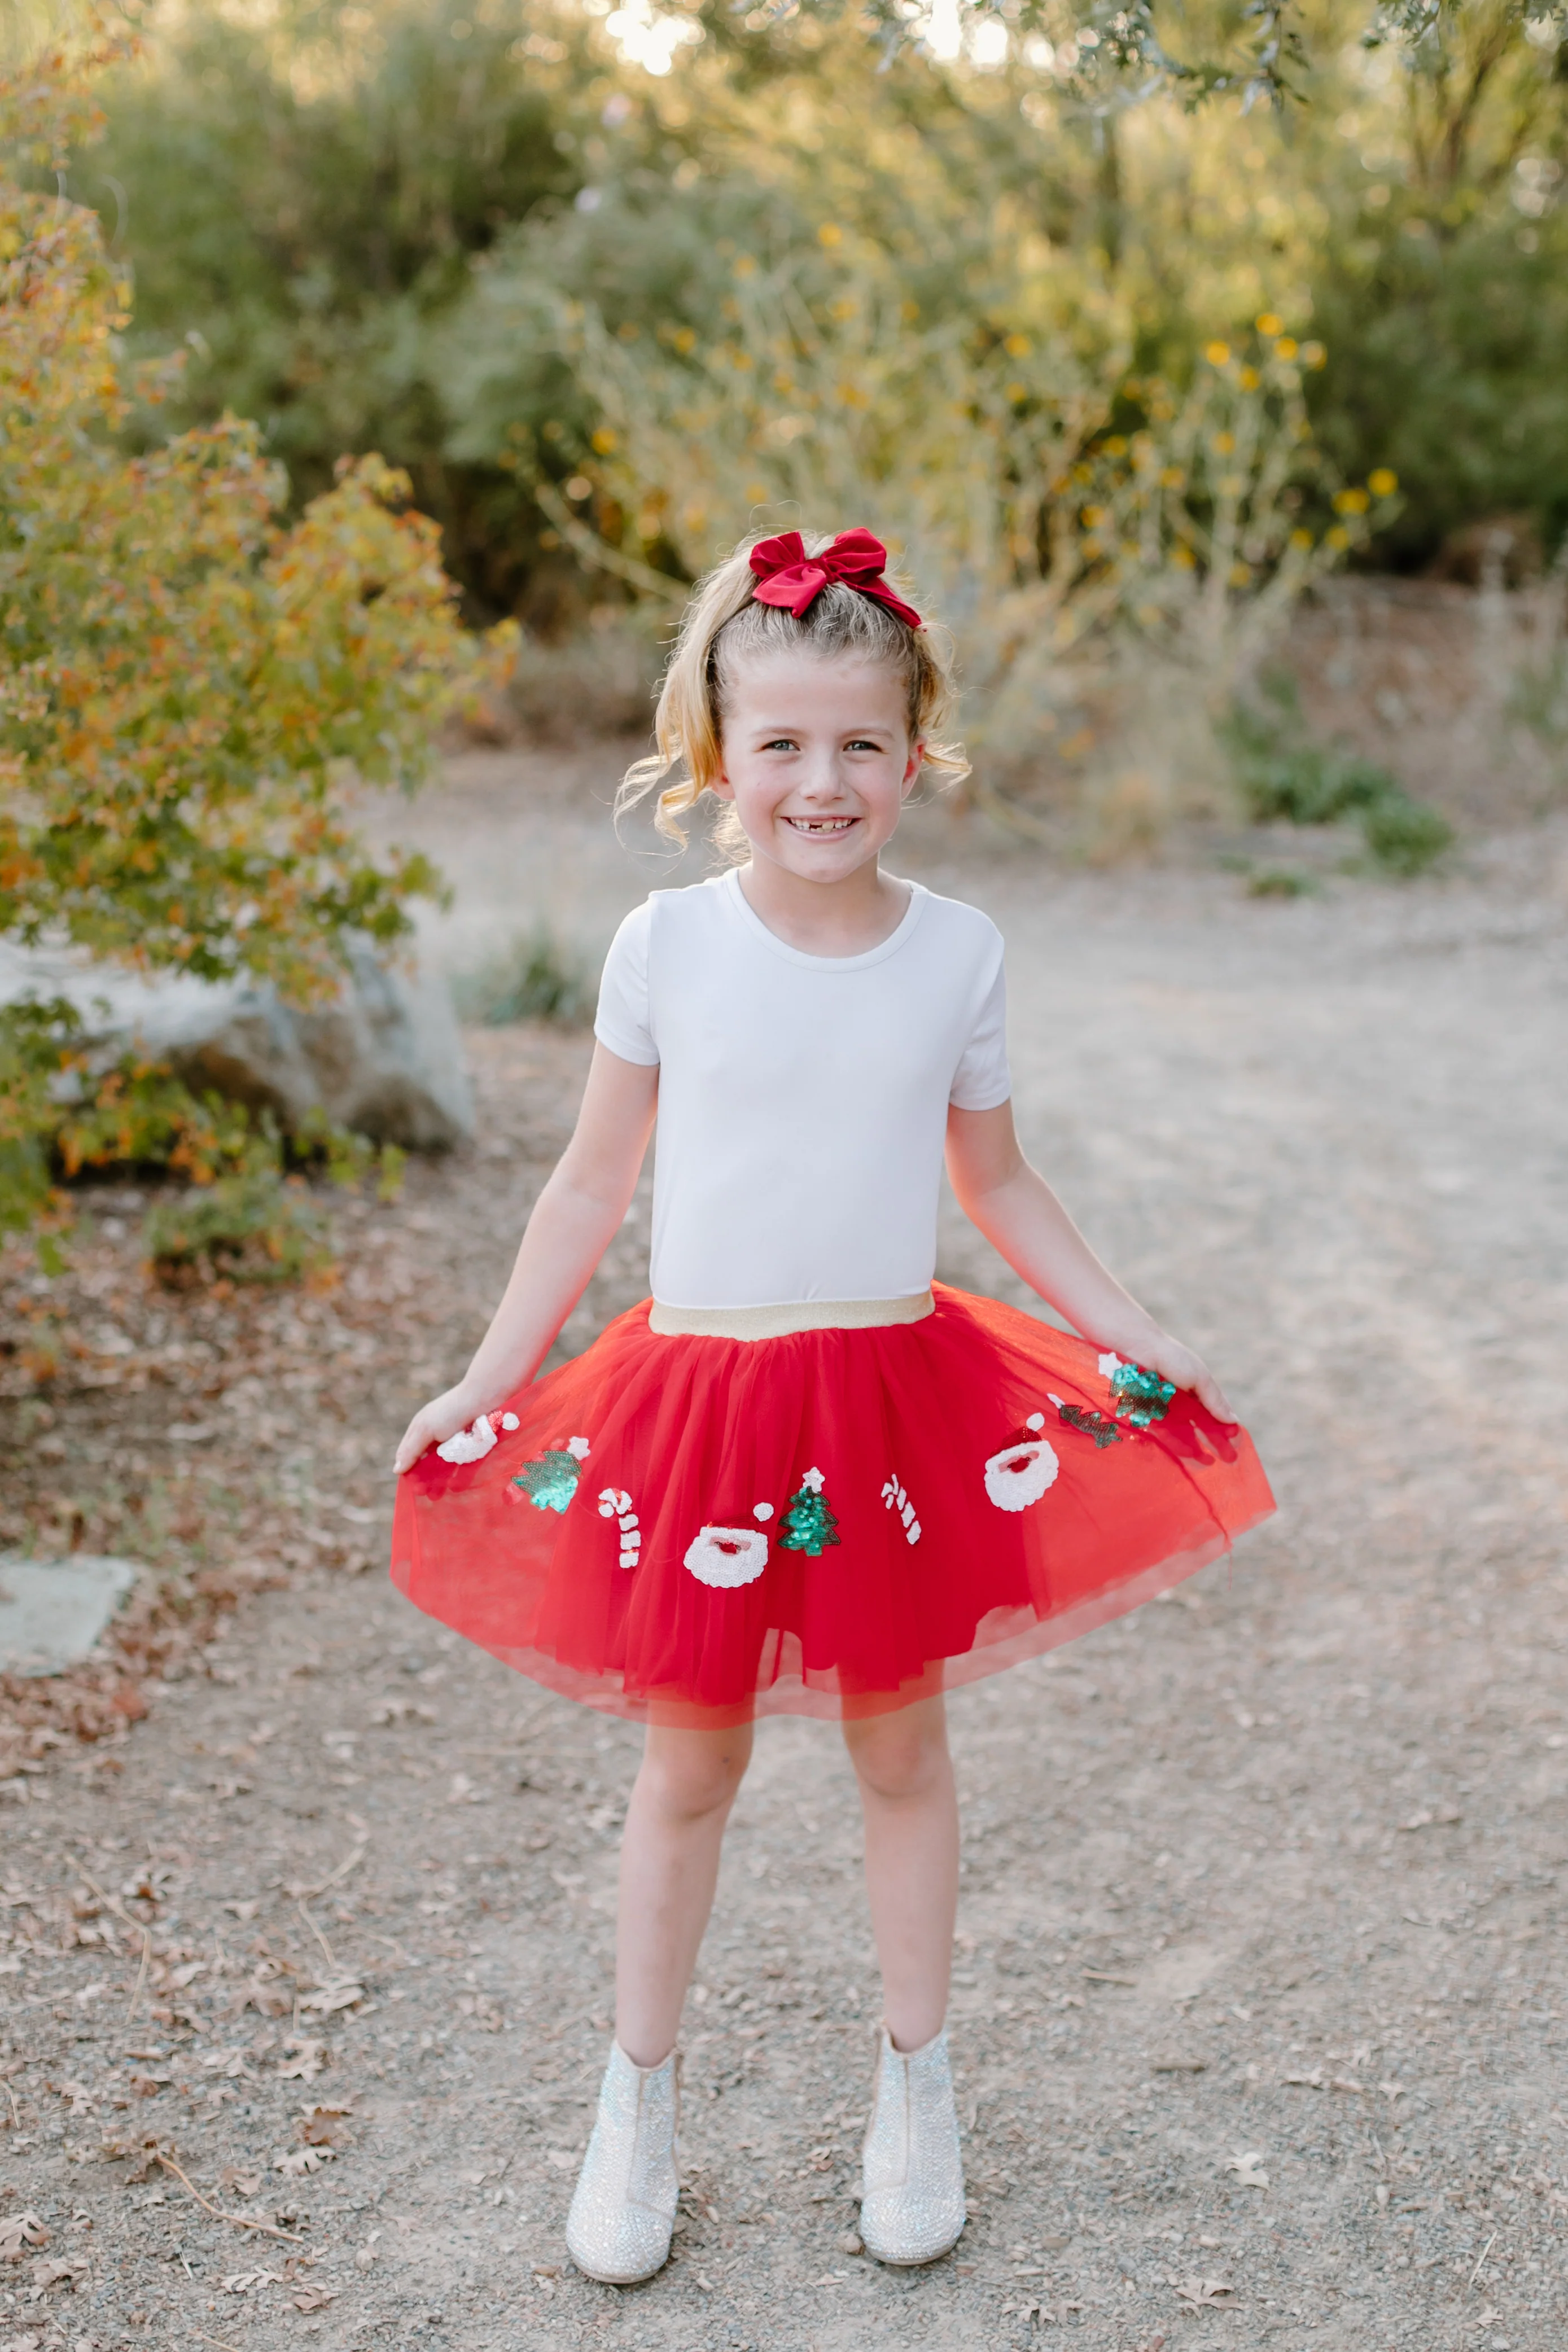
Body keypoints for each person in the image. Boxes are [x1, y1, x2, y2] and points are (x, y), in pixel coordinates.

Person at [390, 526, 1274, 2285]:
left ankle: (916, 2083)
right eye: (783, 743)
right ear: (720, 748)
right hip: (704, 1405)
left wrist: (1133, 1328)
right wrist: (492, 1374)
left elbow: (1005, 1185)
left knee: (900, 1744)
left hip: (888, 1402)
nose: (823, 780)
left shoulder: (957, 951)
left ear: (915, 745)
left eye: (862, 743)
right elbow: (585, 1188)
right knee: (689, 1763)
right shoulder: (667, 944)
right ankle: (636, 2100)